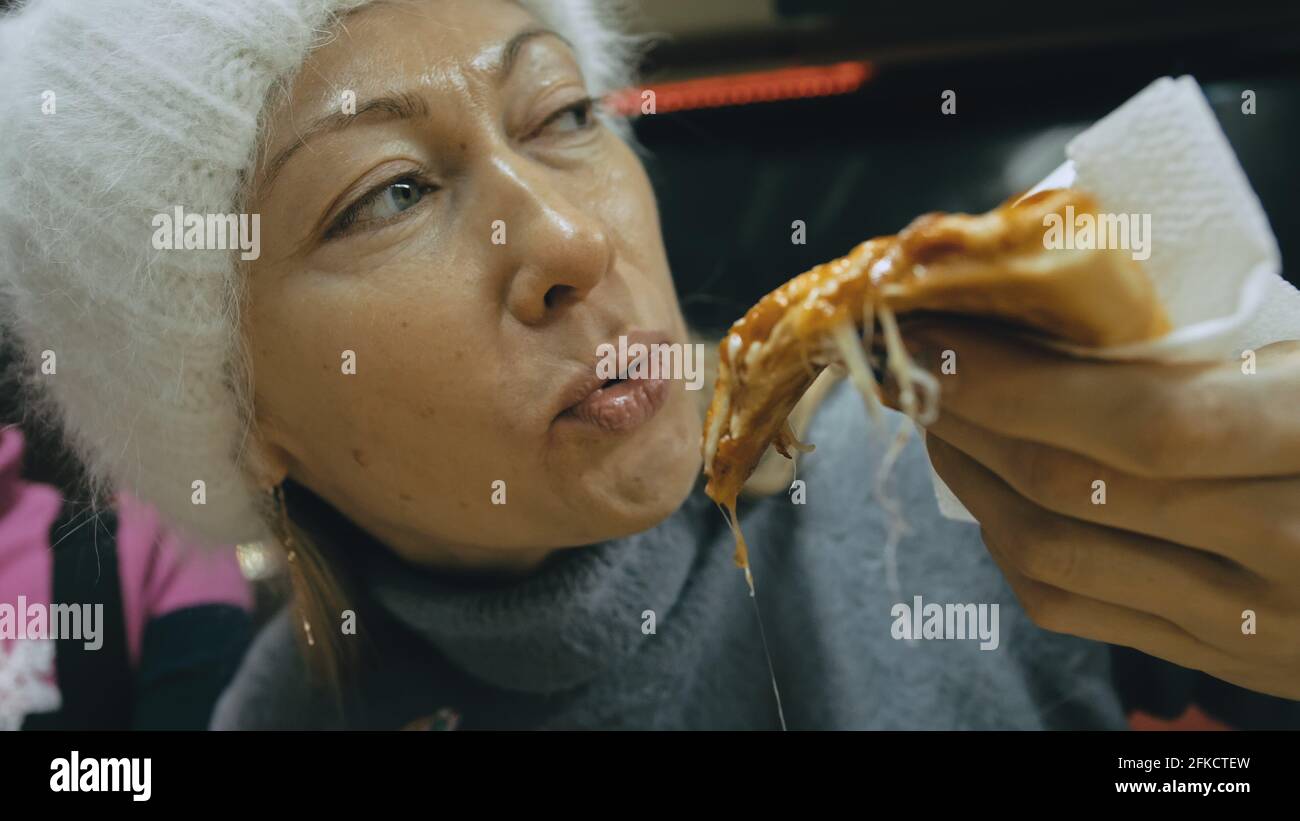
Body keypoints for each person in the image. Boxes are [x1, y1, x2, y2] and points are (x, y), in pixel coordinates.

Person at [0, 0, 1297, 730]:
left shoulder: (964, 462)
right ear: (236, 408)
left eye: (563, 114)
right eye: (390, 193)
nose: (568, 236)